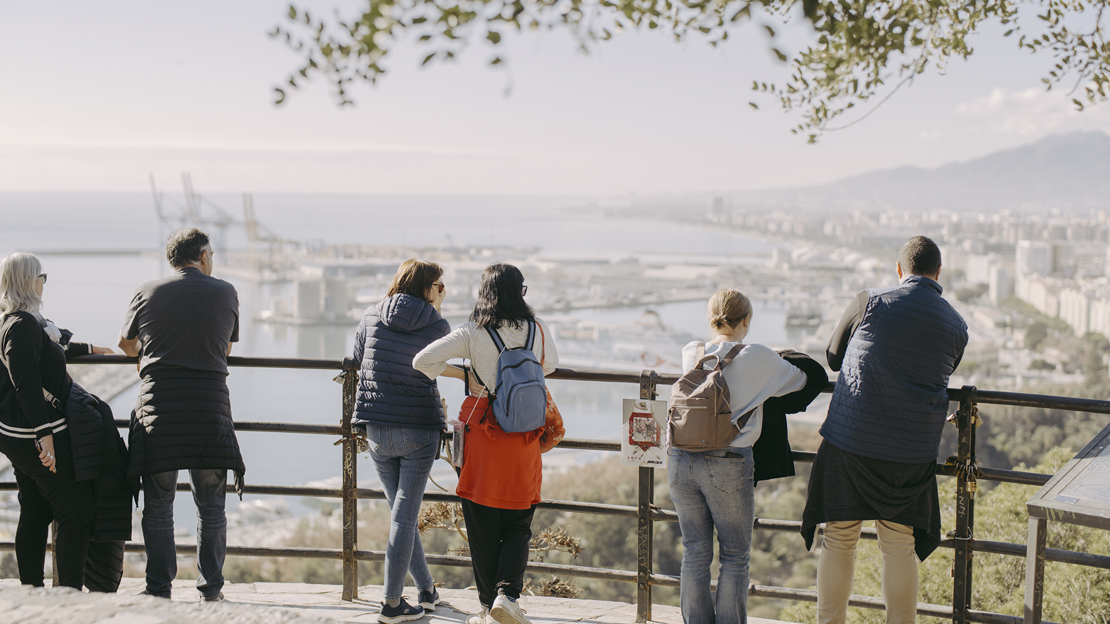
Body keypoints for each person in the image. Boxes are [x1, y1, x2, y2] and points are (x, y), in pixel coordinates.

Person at [801, 236, 968, 624]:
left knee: (840, 541)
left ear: (899, 270)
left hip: (851, 441)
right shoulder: (957, 326)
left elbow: (832, 358)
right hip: (910, 453)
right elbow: (940, 372)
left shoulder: (870, 302)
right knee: (899, 547)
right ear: (938, 273)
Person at [413, 263, 558, 624]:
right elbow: (549, 366)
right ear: (520, 292)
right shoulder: (537, 328)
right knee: (518, 523)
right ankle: (507, 596)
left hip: (483, 436)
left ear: (484, 294)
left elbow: (423, 361)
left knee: (481, 526)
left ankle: (485, 605)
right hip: (523, 436)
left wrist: (466, 372)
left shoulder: (472, 332)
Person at [668, 288, 822, 624]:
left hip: (680, 459)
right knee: (735, 556)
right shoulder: (758, 357)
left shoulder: (690, 351)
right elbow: (801, 380)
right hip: (727, 460)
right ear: (746, 320)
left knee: (695, 552)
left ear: (711, 318)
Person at [118, 228, 245, 602]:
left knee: (158, 507)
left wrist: (150, 353)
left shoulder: (148, 291)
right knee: (211, 506)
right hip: (209, 409)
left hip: (159, 410)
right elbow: (225, 347)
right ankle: (211, 589)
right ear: (203, 255)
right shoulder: (226, 291)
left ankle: (159, 589)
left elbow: (127, 345)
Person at [352, 259, 461, 623]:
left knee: (402, 516)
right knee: (404, 517)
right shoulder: (437, 323)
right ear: (429, 289)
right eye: (439, 286)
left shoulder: (371, 315)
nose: (442, 292)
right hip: (417, 428)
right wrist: (437, 311)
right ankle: (392, 604)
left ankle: (427, 591)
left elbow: (356, 357)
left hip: (377, 427)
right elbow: (438, 361)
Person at [0, 252, 114, 588]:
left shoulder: (22, 321)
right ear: (28, 281)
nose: (44, 282)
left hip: (17, 434)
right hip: (30, 434)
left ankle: (32, 591)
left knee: (36, 510)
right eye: (42, 276)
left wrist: (92, 347)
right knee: (76, 513)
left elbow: (51, 348)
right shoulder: (20, 324)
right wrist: (44, 434)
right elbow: (26, 382)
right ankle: (66, 597)